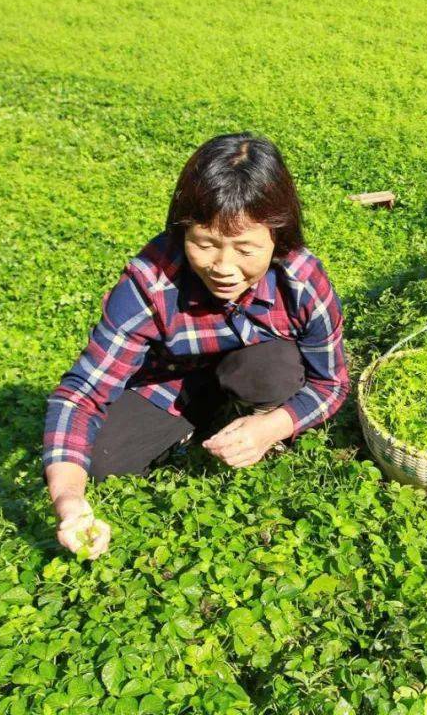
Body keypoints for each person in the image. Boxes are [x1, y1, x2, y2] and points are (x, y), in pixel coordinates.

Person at [42, 133, 350, 559]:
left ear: (278, 237)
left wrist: (273, 426)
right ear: (182, 229)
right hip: (173, 380)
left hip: (255, 366)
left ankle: (250, 414)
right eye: (204, 244)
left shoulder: (301, 281)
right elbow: (81, 395)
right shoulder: (150, 284)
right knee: (101, 460)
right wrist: (69, 500)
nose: (223, 267)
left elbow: (331, 384)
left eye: (245, 249)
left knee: (270, 371)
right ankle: (200, 418)